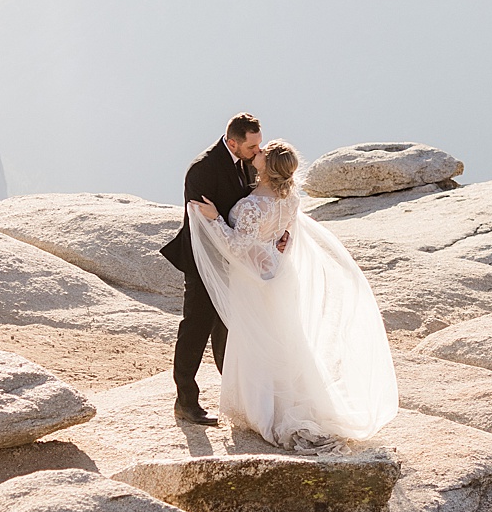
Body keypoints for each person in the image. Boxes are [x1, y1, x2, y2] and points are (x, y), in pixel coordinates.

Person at [185, 138, 399, 450]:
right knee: (282, 338)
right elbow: (284, 235)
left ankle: (265, 411)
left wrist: (214, 217)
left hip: (254, 279)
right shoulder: (290, 198)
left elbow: (235, 247)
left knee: (258, 340)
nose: (256, 152)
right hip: (279, 272)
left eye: (262, 152)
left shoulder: (251, 206)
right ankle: (281, 399)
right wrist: (275, 247)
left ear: (268, 169)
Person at [159, 113, 264, 423]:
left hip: (233, 261)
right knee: (195, 329)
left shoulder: (248, 162)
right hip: (203, 262)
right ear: (232, 142)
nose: (259, 151)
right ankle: (186, 402)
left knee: (227, 329)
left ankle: (233, 397)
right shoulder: (203, 169)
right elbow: (202, 225)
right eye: (252, 147)